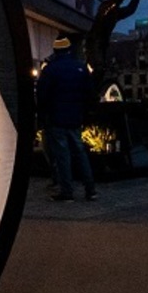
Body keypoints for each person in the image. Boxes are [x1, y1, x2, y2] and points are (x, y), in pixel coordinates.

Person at [37, 34, 98, 202]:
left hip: (56, 118)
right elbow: (90, 94)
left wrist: (43, 116)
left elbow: (42, 95)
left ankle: (67, 192)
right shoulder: (80, 67)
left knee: (62, 156)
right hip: (75, 117)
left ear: (56, 51)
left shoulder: (50, 69)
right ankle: (90, 190)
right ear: (70, 50)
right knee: (80, 153)